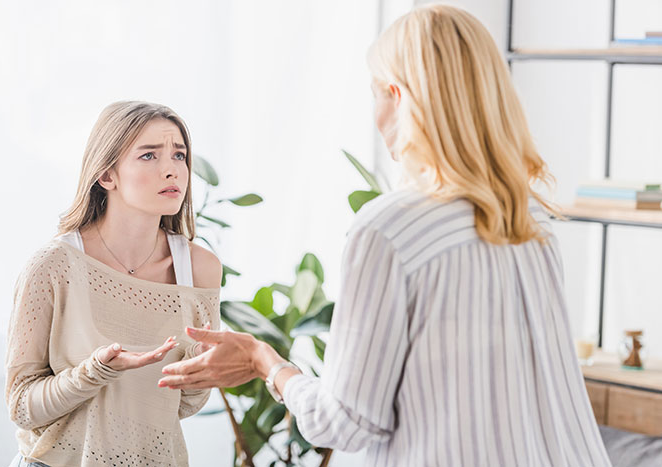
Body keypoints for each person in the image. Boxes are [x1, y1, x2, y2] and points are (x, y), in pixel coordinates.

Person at [158, 5, 612, 466]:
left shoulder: (390, 229)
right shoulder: (529, 217)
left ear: (397, 97)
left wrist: (264, 361)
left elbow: (344, 424)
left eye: (376, 94)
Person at [5, 101, 222, 466]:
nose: (172, 170)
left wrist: (203, 368)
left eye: (179, 155)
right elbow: (21, 407)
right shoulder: (53, 266)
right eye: (149, 156)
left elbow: (183, 403)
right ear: (107, 175)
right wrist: (96, 371)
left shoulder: (199, 268)